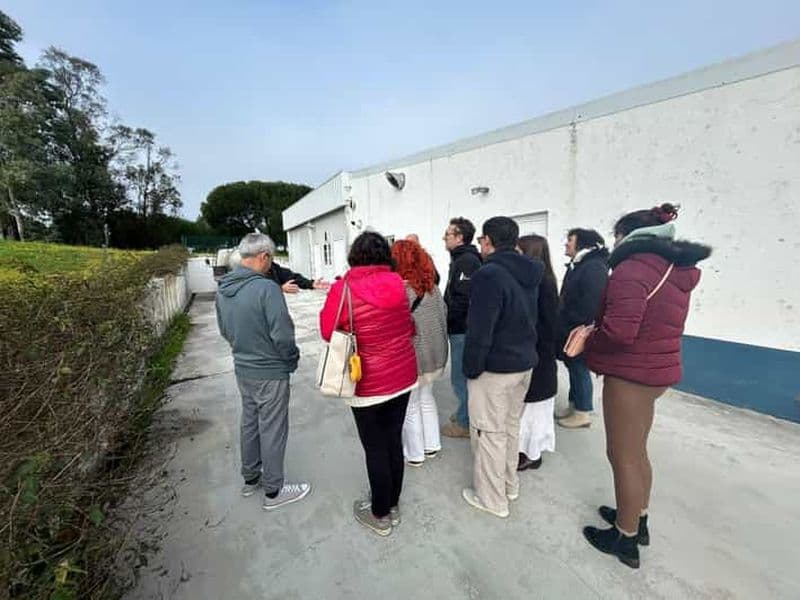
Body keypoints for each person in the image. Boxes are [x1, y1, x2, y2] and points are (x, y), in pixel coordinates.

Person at [581, 204, 711, 569]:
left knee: (622, 455)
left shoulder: (632, 269)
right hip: (656, 372)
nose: (614, 242)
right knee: (637, 451)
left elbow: (621, 331)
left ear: (629, 236)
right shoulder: (674, 267)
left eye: (616, 235)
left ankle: (625, 538)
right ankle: (639, 517)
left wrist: (588, 342)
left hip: (629, 375)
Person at [319, 231, 417, 537]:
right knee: (392, 442)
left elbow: (327, 331)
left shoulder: (343, 288)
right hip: (402, 375)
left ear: (354, 255)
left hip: (366, 381)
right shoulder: (401, 284)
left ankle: (379, 513)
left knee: (375, 448)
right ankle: (393, 503)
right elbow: (408, 325)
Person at [215, 233, 311, 510]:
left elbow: (224, 330)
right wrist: (291, 359)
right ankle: (274, 491)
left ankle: (250, 478)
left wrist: (243, 349)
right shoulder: (267, 289)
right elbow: (283, 335)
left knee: (250, 422)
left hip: (243, 368)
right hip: (270, 370)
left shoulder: (223, 288)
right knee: (272, 428)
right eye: (271, 258)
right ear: (264, 256)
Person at [461, 217, 543, 518]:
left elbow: (481, 329)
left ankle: (492, 500)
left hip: (496, 370)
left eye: (482, 240)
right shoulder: (530, 270)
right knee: (508, 427)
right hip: (523, 365)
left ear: (487, 241)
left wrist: (471, 368)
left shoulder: (489, 274)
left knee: (489, 434)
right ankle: (509, 484)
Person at [391, 239, 449, 467]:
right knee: (426, 398)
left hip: (412, 360)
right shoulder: (433, 289)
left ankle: (415, 454)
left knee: (410, 405)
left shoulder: (399, 291)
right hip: (434, 357)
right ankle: (432, 445)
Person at [557, 228, 609, 429]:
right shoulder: (579, 265)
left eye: (570, 240)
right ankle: (574, 405)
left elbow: (591, 303)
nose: (566, 243)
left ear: (582, 244)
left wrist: (576, 323)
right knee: (573, 366)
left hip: (579, 328)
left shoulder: (593, 267)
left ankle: (583, 411)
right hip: (571, 327)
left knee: (579, 368)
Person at [517, 235, 559, 471]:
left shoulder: (542, 282)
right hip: (537, 352)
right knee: (531, 408)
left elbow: (547, 322)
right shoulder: (541, 280)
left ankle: (531, 454)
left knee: (535, 409)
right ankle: (529, 450)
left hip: (540, 354)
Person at [441, 217, 482, 438]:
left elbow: (463, 300)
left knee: (460, 378)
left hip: (462, 329)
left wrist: (448, 318)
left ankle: (465, 423)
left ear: (460, 237)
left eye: (448, 234)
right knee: (460, 377)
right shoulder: (460, 258)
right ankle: (463, 412)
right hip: (459, 328)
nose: (443, 237)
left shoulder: (466, 261)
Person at [228, 248, 330, 293]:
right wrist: (280, 289)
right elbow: (255, 293)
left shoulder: (271, 267)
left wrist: (310, 283)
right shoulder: (240, 279)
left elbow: (291, 277)